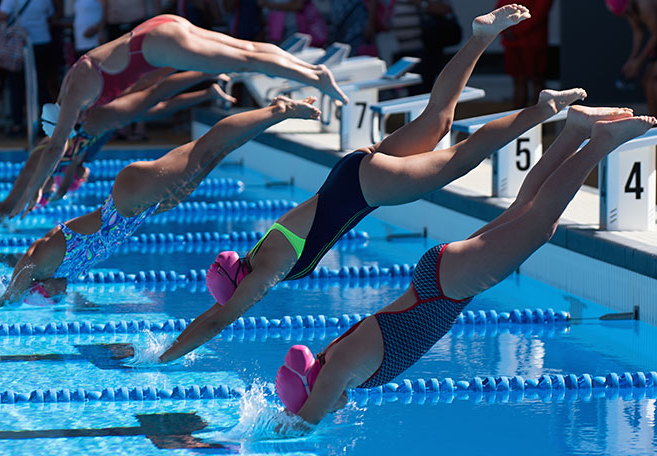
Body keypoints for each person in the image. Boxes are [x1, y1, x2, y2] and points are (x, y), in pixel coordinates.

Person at [157, 5, 589, 363]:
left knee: (461, 158)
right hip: (351, 172)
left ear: (241, 283)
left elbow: (219, 318)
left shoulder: (268, 267)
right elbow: (216, 309)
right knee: (438, 117)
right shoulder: (259, 251)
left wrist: (166, 357)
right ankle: (481, 37)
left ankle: (542, 109)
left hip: (364, 190)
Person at [274, 107, 653, 427]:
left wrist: (275, 430)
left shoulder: (337, 370)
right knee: (524, 209)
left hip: (444, 289)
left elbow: (306, 423)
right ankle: (575, 130)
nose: (333, 406)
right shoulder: (333, 361)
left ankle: (601, 142)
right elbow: (318, 407)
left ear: (314, 388)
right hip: (439, 280)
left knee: (540, 224)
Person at [0, 96, 320, 308]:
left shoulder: (36, 263)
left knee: (204, 148)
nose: (56, 295)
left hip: (127, 200)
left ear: (36, 287)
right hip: (137, 211)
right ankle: (272, 117)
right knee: (215, 156)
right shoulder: (58, 272)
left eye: (48, 296)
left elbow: (14, 288)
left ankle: (278, 109)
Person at [8, 13, 349, 218]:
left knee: (245, 61)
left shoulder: (78, 97)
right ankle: (312, 71)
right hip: (158, 28)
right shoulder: (73, 82)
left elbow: (55, 149)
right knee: (248, 50)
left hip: (156, 45)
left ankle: (314, 76)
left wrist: (33, 191)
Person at [0, 71, 236, 228]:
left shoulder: (43, 158)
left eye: (46, 192)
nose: (49, 193)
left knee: (150, 95)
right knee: (155, 108)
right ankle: (207, 90)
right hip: (96, 132)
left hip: (95, 123)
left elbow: (10, 201)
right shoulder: (56, 165)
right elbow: (70, 170)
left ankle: (202, 70)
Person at [0, 0, 57, 136]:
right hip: (42, 41)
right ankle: (46, 125)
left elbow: (2, 15)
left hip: (18, 42)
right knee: (41, 85)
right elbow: (51, 15)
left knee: (16, 85)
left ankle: (17, 124)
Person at [496, 0, 554, 108]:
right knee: (518, 80)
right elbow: (501, 7)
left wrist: (515, 30)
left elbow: (540, 11)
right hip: (513, 42)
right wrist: (505, 27)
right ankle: (518, 116)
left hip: (533, 41)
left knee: (536, 79)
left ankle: (541, 116)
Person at [607, 0, 657, 115]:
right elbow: (639, 32)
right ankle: (653, 122)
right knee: (646, 84)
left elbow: (656, 34)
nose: (627, 16)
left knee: (653, 85)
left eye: (626, 12)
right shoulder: (630, 11)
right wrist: (632, 60)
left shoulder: (644, 5)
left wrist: (638, 62)